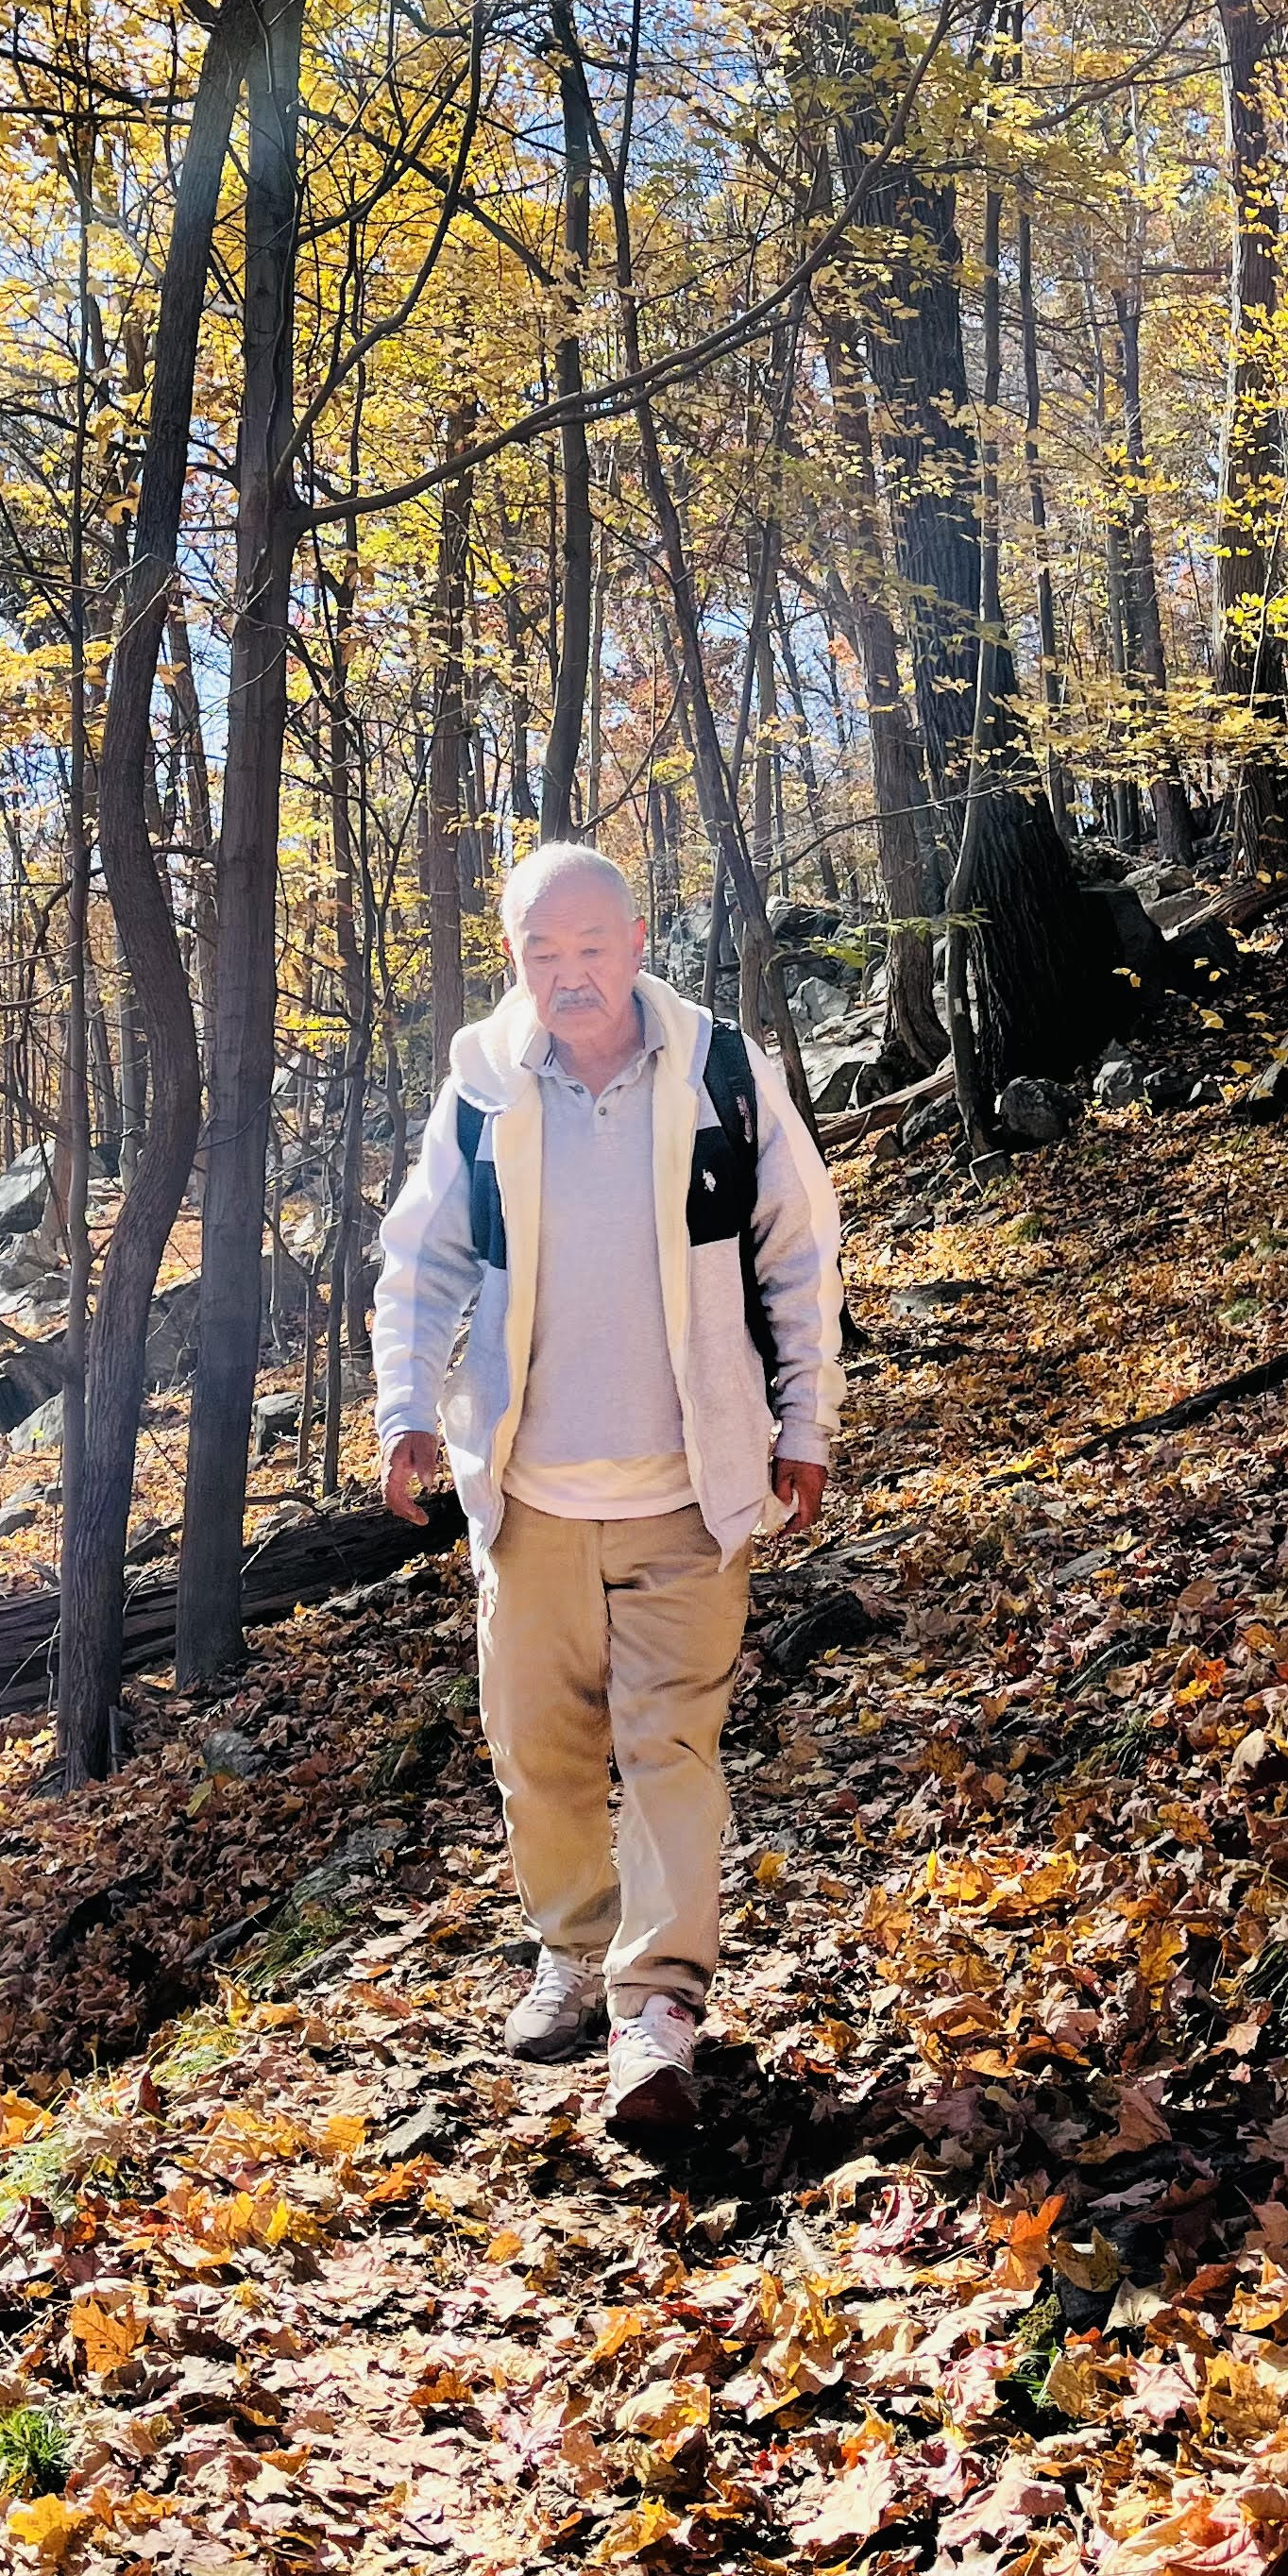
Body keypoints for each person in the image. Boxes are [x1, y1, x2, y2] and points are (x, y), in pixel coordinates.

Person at [371, 843, 843, 2135]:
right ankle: (571, 1954)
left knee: (671, 1747)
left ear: (636, 941)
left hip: (691, 1490)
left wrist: (807, 1418)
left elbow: (799, 1254)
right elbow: (419, 1264)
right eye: (543, 952)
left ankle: (658, 2010)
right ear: (514, 956)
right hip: (528, 1499)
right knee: (543, 1754)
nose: (570, 974)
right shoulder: (483, 1090)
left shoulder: (722, 1078)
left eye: (591, 946)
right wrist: (406, 1410)